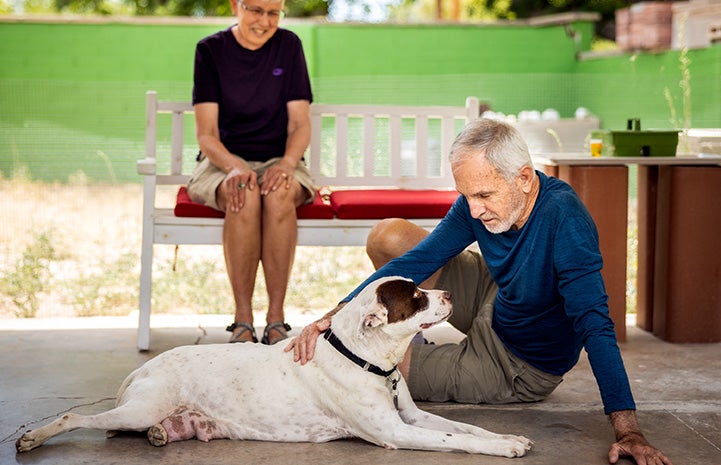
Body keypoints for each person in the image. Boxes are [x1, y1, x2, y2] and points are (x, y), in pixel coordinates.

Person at [287, 118, 673, 464]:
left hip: (516, 362)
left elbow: (595, 324)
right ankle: (409, 332)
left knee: (378, 369)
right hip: (497, 295)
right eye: (465, 195)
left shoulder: (564, 220)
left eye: (484, 196)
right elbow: (417, 261)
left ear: (523, 178)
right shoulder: (480, 202)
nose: (473, 210)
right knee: (390, 237)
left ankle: (416, 353)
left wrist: (628, 430)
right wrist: (333, 315)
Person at [188, 0, 315, 345]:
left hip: (281, 159)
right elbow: (206, 135)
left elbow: (300, 125)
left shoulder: (289, 46)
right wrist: (235, 167)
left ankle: (276, 320)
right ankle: (242, 321)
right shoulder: (210, 50)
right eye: (255, 10)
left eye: (273, 12)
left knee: (278, 194)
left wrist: (287, 164)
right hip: (223, 161)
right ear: (236, 6)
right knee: (241, 192)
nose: (264, 20)